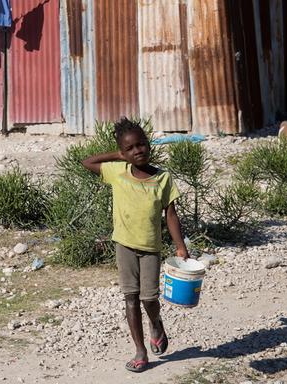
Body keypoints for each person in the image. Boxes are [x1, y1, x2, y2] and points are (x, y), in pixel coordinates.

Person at [81, 117, 190, 373]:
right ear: (122, 152)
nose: (137, 150)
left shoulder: (162, 178)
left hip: (151, 248)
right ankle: (140, 351)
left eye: (141, 144)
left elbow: (170, 214)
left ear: (148, 144)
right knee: (130, 298)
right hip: (125, 245)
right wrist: (118, 156)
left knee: (149, 298)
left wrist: (180, 246)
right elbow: (87, 162)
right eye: (129, 148)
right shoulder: (117, 172)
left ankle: (156, 322)